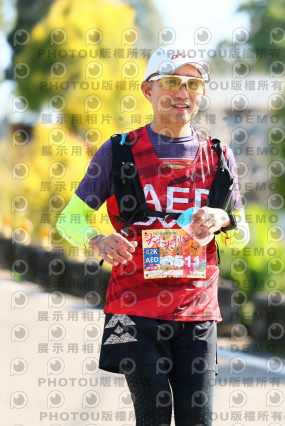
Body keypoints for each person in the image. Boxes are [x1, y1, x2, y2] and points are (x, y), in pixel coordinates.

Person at [57, 46, 249, 426]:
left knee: (198, 420)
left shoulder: (219, 156)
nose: (183, 93)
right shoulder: (118, 151)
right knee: (153, 418)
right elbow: (70, 219)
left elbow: (241, 234)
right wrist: (97, 240)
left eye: (193, 84)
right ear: (148, 90)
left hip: (198, 311)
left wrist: (223, 219)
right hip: (133, 309)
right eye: (172, 82)